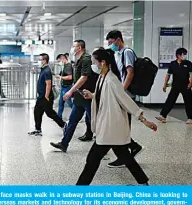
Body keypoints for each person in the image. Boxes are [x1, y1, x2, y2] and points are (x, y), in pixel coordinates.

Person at [76, 48, 157, 185]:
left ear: (103, 62)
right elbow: (105, 96)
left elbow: (125, 100)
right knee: (125, 157)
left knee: (92, 160)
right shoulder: (103, 77)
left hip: (110, 127)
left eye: (94, 62)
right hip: (109, 127)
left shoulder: (112, 81)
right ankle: (143, 183)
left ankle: (80, 188)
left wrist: (144, 120)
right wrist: (92, 95)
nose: (93, 66)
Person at [50, 40, 98, 152]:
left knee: (95, 123)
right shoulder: (79, 59)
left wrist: (70, 91)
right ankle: (64, 143)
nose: (72, 48)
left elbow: (84, 77)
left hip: (87, 96)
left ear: (80, 47)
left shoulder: (86, 59)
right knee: (72, 121)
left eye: (74, 46)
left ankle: (118, 146)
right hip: (79, 96)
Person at [105, 30, 144, 168]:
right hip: (123, 93)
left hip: (126, 94)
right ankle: (130, 149)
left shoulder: (127, 52)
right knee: (121, 125)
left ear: (118, 39)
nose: (110, 45)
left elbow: (130, 73)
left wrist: (121, 91)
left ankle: (127, 154)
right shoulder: (118, 53)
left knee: (122, 125)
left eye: (111, 42)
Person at [28, 53, 67, 136]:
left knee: (49, 113)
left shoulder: (47, 70)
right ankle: (38, 129)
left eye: (40, 59)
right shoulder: (43, 68)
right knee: (37, 111)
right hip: (42, 96)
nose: (38, 61)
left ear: (44, 60)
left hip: (46, 96)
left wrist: (46, 96)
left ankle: (63, 125)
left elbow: (48, 84)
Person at [156, 48, 192, 124]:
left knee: (188, 101)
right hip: (175, 85)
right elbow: (168, 75)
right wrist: (165, 84)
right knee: (170, 100)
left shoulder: (188, 63)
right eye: (183, 54)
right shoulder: (172, 64)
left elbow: (191, 74)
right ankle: (163, 116)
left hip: (186, 85)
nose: (185, 56)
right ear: (178, 55)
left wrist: (191, 83)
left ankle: (190, 118)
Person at [55, 54, 73, 119]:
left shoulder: (68, 66)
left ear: (63, 58)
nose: (59, 62)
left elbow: (70, 77)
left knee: (69, 102)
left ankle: (78, 114)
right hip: (63, 87)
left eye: (59, 61)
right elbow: (62, 75)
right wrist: (58, 76)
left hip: (67, 87)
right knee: (61, 103)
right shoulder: (64, 66)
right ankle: (59, 117)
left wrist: (60, 77)